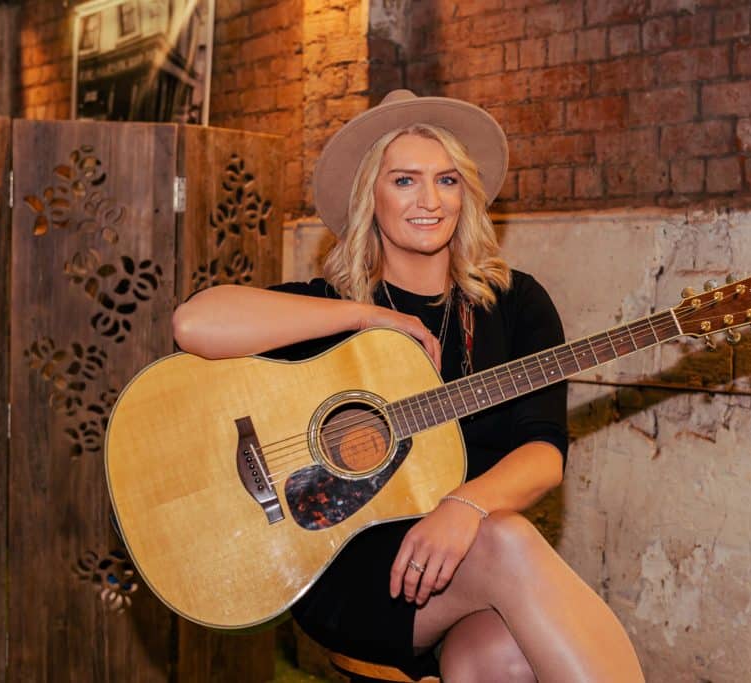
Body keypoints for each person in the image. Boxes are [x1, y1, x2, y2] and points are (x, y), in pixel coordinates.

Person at [172, 90, 644, 682]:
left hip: (464, 555)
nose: (429, 200)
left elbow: (544, 451)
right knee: (507, 540)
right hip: (347, 564)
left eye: (447, 180)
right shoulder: (329, 310)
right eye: (404, 181)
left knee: (498, 660)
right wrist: (368, 316)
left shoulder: (515, 302)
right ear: (370, 196)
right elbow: (194, 322)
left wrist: (463, 506)